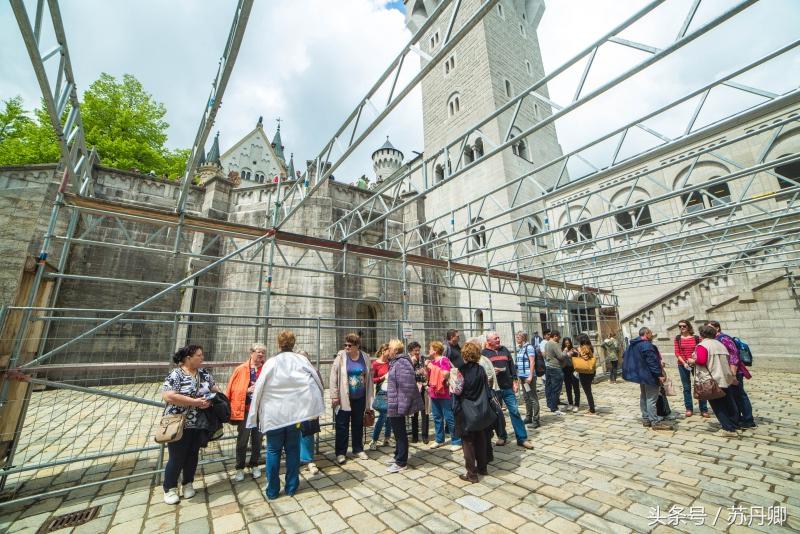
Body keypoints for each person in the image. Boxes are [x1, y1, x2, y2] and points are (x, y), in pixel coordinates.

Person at [247, 331, 324, 500]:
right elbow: (315, 381)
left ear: (278, 344)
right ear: (293, 344)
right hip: (295, 415)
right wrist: (315, 404)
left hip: (274, 416)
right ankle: (291, 487)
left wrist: (254, 414)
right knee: (292, 449)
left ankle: (273, 491)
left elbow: (259, 388)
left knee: (273, 451)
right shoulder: (301, 360)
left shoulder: (271, 362)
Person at [161, 345, 221, 504]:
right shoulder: (176, 374)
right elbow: (168, 396)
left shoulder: (204, 373)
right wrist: (194, 402)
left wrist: (212, 399)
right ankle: (169, 488)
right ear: (188, 357)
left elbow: (215, 388)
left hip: (199, 422)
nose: (202, 358)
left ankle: (188, 483)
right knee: (177, 456)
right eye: (199, 355)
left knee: (193, 455)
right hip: (179, 422)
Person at [482, 332, 534, 449]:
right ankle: (502, 436)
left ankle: (522, 438)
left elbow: (512, 366)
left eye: (498, 337)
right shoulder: (484, 354)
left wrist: (515, 382)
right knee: (498, 414)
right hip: (494, 388)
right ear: (489, 341)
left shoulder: (504, 350)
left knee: (515, 411)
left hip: (507, 386)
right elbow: (482, 371)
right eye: (496, 338)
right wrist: (490, 373)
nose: (498, 339)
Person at [686, 325, 740, 437]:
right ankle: (734, 424)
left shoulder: (703, 345)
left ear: (702, 334)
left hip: (712, 378)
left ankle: (728, 429)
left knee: (717, 405)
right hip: (724, 377)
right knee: (729, 402)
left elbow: (701, 361)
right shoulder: (720, 344)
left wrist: (692, 360)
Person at [451, 342, 492, 483]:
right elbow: (486, 386)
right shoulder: (481, 369)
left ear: (465, 355)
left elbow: (458, 390)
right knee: (481, 439)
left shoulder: (462, 370)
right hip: (480, 409)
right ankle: (483, 468)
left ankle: (471, 474)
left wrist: (451, 385)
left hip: (466, 410)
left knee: (468, 442)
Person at [225, 343, 267, 482]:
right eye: (258, 352)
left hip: (261, 411)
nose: (260, 355)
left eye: (263, 353)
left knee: (258, 439)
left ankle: (254, 464)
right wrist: (246, 391)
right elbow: (231, 390)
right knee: (242, 440)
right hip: (245, 411)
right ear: (251, 352)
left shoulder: (266, 369)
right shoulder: (241, 369)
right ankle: (239, 467)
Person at [330, 333, 373, 465]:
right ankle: (341, 453)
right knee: (342, 425)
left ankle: (358, 449)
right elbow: (333, 376)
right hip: (344, 397)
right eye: (345, 345)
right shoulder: (341, 357)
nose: (347, 347)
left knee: (358, 423)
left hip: (360, 397)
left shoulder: (364, 357)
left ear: (357, 346)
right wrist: (334, 395)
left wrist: (369, 398)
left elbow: (368, 376)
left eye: (350, 345)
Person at [622, 327, 673, 430]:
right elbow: (652, 362)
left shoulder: (633, 344)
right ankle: (654, 421)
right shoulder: (647, 345)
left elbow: (625, 355)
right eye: (650, 333)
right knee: (651, 399)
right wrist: (659, 374)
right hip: (650, 376)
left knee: (644, 397)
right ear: (646, 333)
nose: (652, 334)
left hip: (641, 375)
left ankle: (646, 419)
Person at [707, 320, 755, 429]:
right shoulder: (715, 339)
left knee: (739, 396)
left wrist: (733, 373)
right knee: (733, 397)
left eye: (710, 328)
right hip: (725, 372)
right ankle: (737, 418)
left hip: (734, 372)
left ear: (717, 328)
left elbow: (734, 355)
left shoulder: (724, 338)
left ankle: (748, 419)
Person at [386, 339, 423, 473]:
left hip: (398, 404)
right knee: (397, 432)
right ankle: (397, 456)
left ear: (396, 350)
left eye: (389, 348)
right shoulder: (396, 361)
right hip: (394, 402)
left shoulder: (401, 363)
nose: (387, 350)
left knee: (400, 433)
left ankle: (401, 462)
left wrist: (403, 406)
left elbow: (406, 387)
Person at [426, 341, 461, 450]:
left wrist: (432, 367)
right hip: (434, 393)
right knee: (437, 417)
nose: (429, 350)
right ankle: (439, 439)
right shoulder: (432, 361)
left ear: (435, 350)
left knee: (449, 417)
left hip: (444, 393)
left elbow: (446, 373)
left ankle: (456, 441)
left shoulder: (443, 360)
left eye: (430, 348)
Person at [673, 320, 709, 418]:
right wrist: (684, 363)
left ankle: (704, 409)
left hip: (696, 364)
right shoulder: (678, 338)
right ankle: (689, 408)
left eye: (684, 326)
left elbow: (700, 350)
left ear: (688, 326)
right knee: (686, 387)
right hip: (683, 365)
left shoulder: (697, 338)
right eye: (679, 326)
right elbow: (677, 352)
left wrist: (694, 359)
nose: (682, 328)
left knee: (700, 386)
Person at [297, 350, 322, 476]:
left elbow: (320, 387)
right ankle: (298, 459)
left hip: (310, 408)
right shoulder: (292, 372)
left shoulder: (314, 371)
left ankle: (308, 460)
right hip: (295, 408)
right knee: (296, 433)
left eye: (305, 358)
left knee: (308, 433)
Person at [515, 331, 540, 428]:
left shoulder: (529, 347)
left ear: (523, 337)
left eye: (518, 337)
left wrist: (530, 376)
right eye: (516, 337)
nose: (516, 338)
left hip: (528, 377)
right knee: (526, 397)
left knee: (533, 398)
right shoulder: (520, 348)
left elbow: (532, 362)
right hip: (522, 377)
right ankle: (528, 417)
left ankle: (536, 420)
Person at [369, 343, 392, 450]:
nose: (391, 352)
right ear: (383, 351)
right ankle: (374, 440)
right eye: (389, 350)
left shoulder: (390, 362)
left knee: (390, 416)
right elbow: (372, 380)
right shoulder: (375, 364)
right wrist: (382, 377)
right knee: (383, 415)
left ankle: (387, 438)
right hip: (381, 393)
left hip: (391, 391)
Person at [408, 341, 430, 443]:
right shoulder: (408, 360)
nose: (417, 352)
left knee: (425, 412)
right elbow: (407, 373)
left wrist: (425, 369)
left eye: (418, 350)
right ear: (410, 351)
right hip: (413, 388)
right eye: (415, 351)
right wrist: (413, 365)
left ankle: (425, 436)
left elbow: (427, 373)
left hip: (424, 388)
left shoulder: (423, 358)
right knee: (414, 412)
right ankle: (415, 436)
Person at [543, 331, 566, 416]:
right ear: (555, 336)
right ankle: (554, 408)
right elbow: (561, 356)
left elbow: (545, 355)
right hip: (556, 368)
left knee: (548, 387)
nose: (560, 339)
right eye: (559, 337)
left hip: (548, 367)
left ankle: (549, 404)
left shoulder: (547, 343)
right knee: (556, 388)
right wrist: (566, 352)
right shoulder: (554, 344)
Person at [575, 334, 597, 414]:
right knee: (588, 390)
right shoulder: (590, 346)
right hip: (590, 371)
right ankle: (591, 407)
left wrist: (579, 351)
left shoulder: (584, 348)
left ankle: (592, 409)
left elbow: (585, 358)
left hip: (585, 371)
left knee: (587, 391)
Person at [561, 337, 580, 413]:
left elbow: (579, 358)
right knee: (568, 388)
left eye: (568, 343)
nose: (567, 344)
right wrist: (565, 351)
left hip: (574, 370)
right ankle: (570, 403)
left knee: (576, 388)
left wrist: (576, 352)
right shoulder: (562, 350)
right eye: (566, 343)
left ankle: (577, 404)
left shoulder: (574, 349)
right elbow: (561, 357)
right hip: (565, 370)